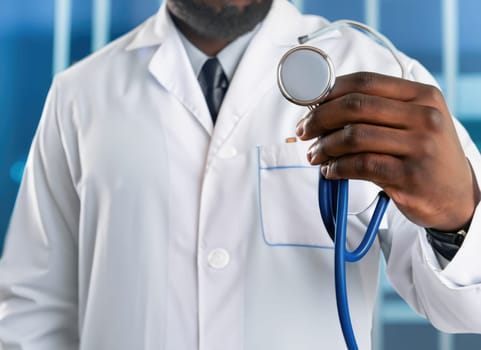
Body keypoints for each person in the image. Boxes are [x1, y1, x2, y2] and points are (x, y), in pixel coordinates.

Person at [1, 0, 481, 349]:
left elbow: (466, 310)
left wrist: (457, 219)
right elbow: (33, 312)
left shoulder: (380, 72)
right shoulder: (79, 93)